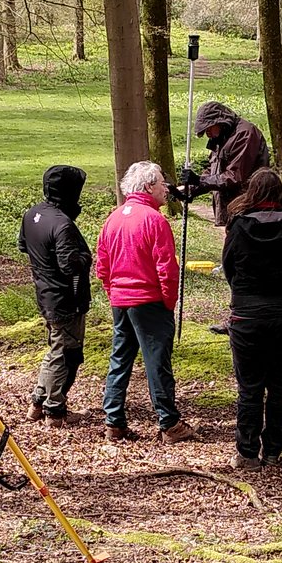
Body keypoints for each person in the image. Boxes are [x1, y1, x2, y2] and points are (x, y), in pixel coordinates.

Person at [94, 161, 195, 443]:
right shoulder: (154, 220)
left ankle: (113, 420)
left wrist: (112, 292)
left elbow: (102, 265)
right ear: (149, 186)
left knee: (120, 359)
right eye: (163, 183)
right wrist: (168, 300)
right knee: (157, 361)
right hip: (148, 300)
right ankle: (169, 422)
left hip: (121, 299)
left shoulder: (113, 218)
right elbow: (167, 267)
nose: (167, 188)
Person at [220, 167, 282, 469]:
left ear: (252, 192)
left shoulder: (238, 227)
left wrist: (246, 294)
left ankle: (247, 452)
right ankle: (273, 449)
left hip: (248, 316)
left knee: (250, 388)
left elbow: (229, 267)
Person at [19, 164, 92, 422]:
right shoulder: (63, 225)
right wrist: (86, 256)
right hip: (66, 299)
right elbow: (69, 265)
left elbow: (23, 246)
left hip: (45, 293)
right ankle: (55, 409)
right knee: (66, 353)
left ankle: (38, 402)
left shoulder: (32, 214)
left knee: (56, 347)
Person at [173, 101, 268, 226]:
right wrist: (188, 190)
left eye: (208, 128)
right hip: (232, 210)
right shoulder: (221, 138)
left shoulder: (245, 134)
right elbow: (213, 172)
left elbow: (234, 177)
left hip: (249, 209)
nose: (207, 134)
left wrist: (199, 180)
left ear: (220, 122)